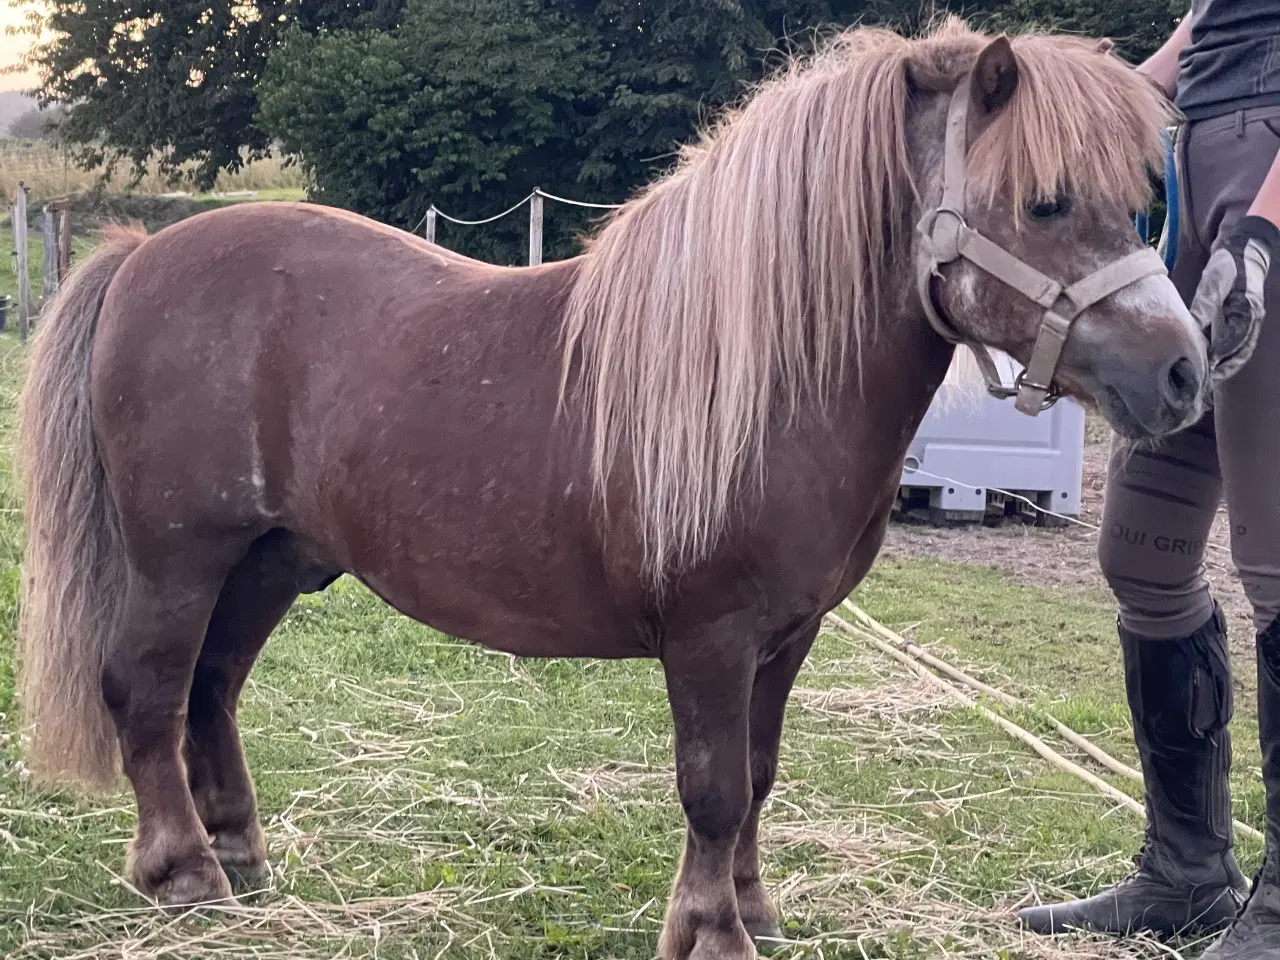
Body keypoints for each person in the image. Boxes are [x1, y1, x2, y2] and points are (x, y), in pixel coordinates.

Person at [1013, 1, 1280, 956]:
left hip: (1269, 203)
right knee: (1142, 554)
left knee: (1276, 556)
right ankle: (1188, 872)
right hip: (1202, 190)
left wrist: (1265, 235)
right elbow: (1182, 49)